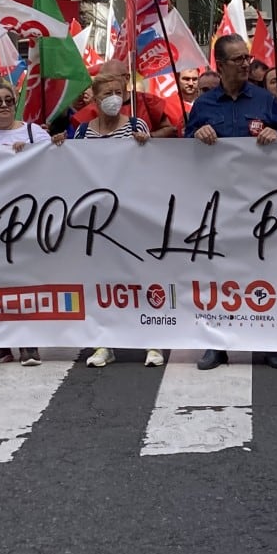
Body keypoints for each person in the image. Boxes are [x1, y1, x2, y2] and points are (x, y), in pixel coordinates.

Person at [185, 34, 277, 371]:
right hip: (217, 204)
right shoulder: (204, 105)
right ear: (220, 65)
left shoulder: (264, 100)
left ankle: (270, 343)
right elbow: (183, 146)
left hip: (261, 203)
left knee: (264, 270)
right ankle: (217, 344)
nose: (246, 63)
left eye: (247, 57)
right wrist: (196, 134)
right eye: (238, 59)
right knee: (217, 274)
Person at [59, 72, 163, 370]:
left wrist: (147, 144)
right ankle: (104, 342)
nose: (114, 98)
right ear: (95, 97)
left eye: (119, 91)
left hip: (132, 215)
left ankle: (152, 340)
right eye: (107, 93)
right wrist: (57, 146)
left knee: (141, 276)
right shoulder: (81, 132)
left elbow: (151, 168)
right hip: (97, 220)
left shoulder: (135, 126)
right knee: (102, 280)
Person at [0, 81, 49, 369]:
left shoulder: (34, 133)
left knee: (27, 279)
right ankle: (0, 344)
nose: (3, 106)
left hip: (28, 217)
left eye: (8, 100)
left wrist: (33, 151)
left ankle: (29, 341)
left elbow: (55, 164)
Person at [71, 59, 175, 138]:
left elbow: (170, 129)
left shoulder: (147, 102)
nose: (107, 82)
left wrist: (147, 138)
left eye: (112, 77)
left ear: (127, 78)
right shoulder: (92, 109)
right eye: (103, 78)